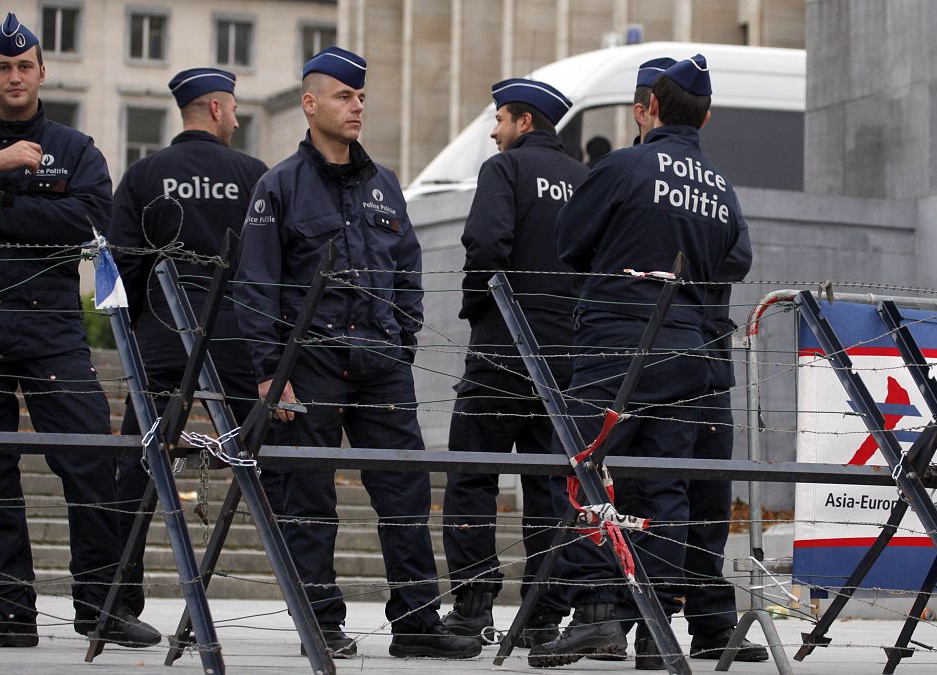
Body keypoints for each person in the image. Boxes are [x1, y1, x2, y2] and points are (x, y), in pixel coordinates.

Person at [233, 45, 480, 660]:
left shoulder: (384, 185)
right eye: (345, 96)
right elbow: (256, 284)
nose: (357, 106)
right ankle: (319, 619)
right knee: (308, 496)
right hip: (308, 364)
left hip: (380, 366)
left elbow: (407, 271)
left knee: (405, 490)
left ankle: (418, 623)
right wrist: (269, 373)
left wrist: (401, 341)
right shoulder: (278, 186)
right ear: (310, 104)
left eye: (361, 96)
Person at [0, 13, 158, 648]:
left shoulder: (77, 149)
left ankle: (100, 607)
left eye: (24, 65)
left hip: (53, 332)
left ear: (41, 72)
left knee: (88, 462)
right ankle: (8, 612)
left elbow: (86, 220)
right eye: (2, 67)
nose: (14, 76)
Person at [528, 54, 743, 668]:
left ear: (645, 110)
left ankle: (600, 614)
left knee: (590, 472)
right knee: (666, 487)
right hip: (691, 348)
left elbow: (569, 242)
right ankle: (655, 627)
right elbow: (736, 260)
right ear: (705, 115)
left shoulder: (621, 167)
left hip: (616, 340)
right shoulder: (719, 185)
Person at [107, 67, 268, 621]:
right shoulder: (253, 174)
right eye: (235, 109)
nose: (239, 118)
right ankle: (314, 609)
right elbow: (272, 262)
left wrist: (136, 328)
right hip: (237, 340)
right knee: (275, 466)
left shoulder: (144, 174)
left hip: (159, 337)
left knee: (137, 468)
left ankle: (121, 601)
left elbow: (121, 266)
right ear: (218, 110)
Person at [440, 79, 588, 646]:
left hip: (502, 348)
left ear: (524, 122)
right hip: (566, 355)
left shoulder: (504, 170)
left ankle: (474, 606)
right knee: (552, 486)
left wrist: (480, 307)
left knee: (473, 476)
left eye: (500, 119)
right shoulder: (584, 179)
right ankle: (542, 615)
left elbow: (485, 243)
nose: (495, 131)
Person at [632, 57, 766, 668]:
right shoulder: (622, 176)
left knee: (708, 491)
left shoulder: (709, 185)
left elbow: (736, 255)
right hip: (642, 355)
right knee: (646, 494)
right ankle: (639, 629)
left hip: (704, 351)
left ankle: (712, 625)